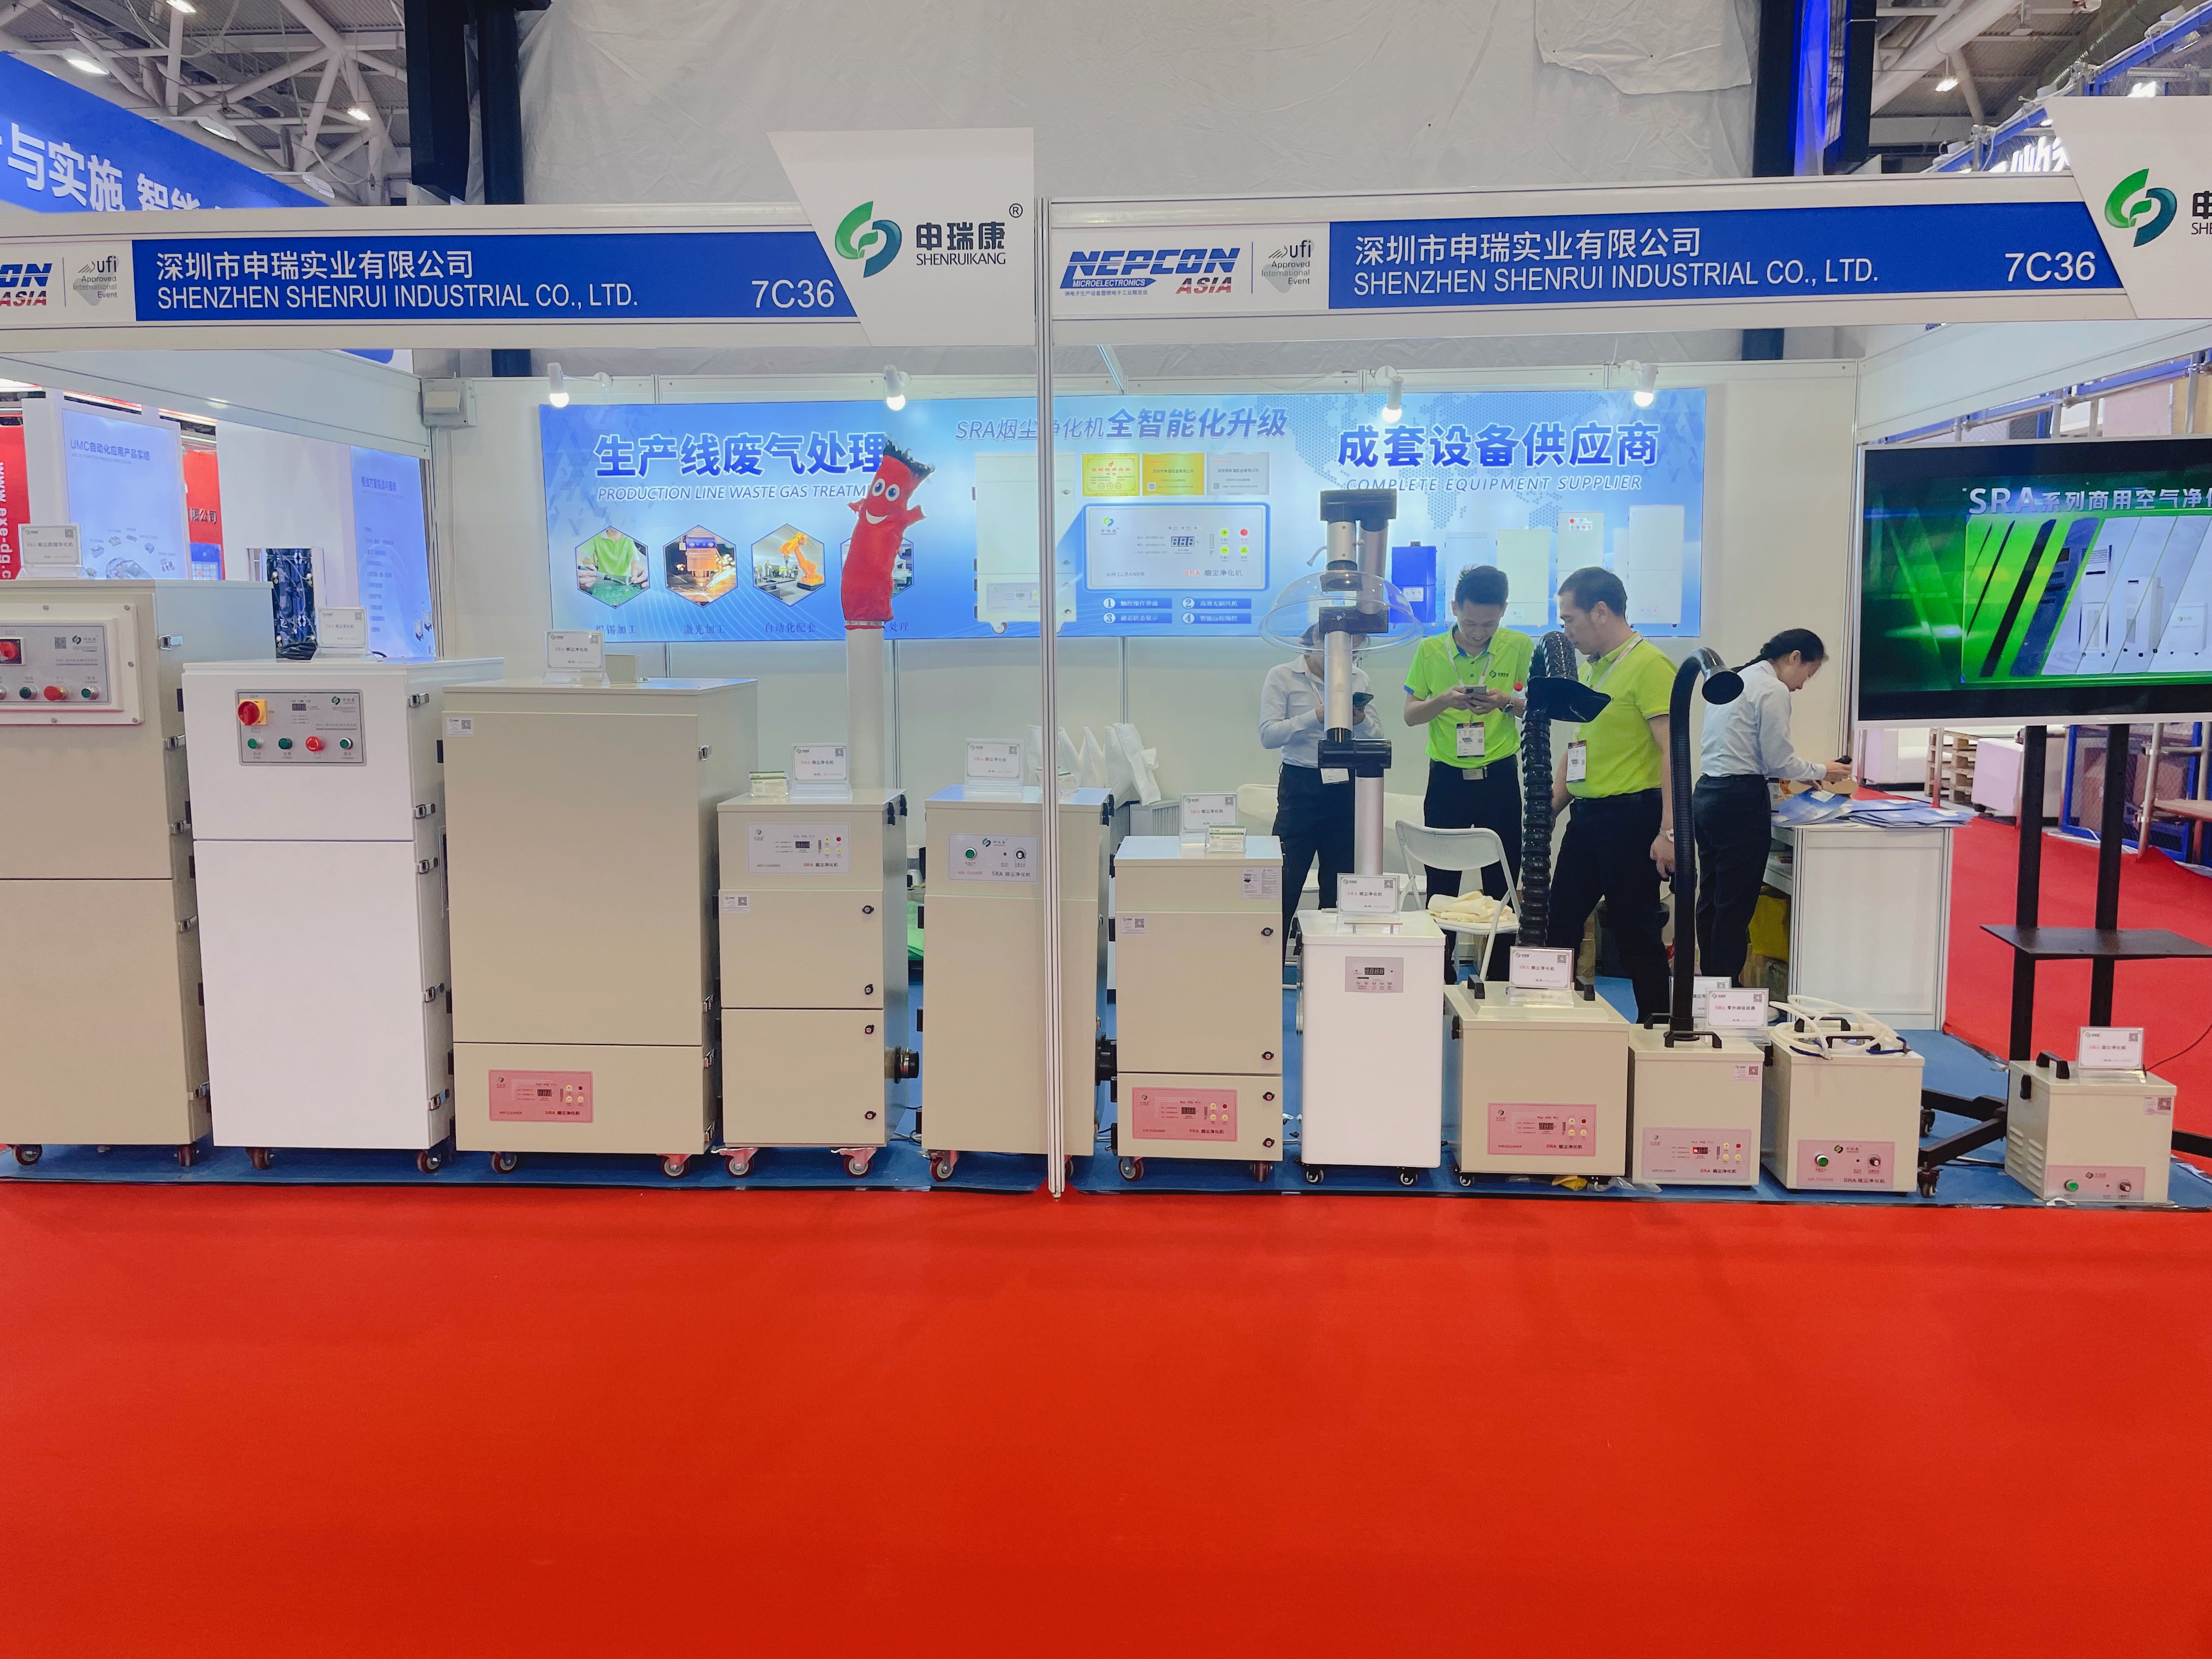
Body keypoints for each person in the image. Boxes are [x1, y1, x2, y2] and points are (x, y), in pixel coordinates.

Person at [1544, 566, 1677, 1020]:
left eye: (1570, 619)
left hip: (1632, 818)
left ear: (1600, 611)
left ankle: (1657, 1029)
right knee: (1559, 923)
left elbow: (1673, 752)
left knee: (1635, 933)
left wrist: (1669, 832)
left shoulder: (1651, 666)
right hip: (1587, 818)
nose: (1567, 631)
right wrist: (1549, 808)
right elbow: (1579, 747)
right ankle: (1547, 1020)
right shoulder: (1592, 671)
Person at [1694, 628, 1853, 984]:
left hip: (1707, 795)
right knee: (1735, 904)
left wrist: (1807, 773)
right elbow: (1779, 759)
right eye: (1807, 675)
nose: (1801, 686)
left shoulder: (1735, 678)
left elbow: (1749, 750)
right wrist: (1823, 770)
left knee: (1713, 896)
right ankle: (1726, 991)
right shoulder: (1772, 689)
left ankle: (1710, 983)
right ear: (1794, 657)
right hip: (1739, 802)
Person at [1403, 565, 1532, 978]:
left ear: (1504, 611)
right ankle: (1438, 975)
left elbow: (1537, 707)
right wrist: (1443, 701)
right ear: (1455, 607)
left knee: (1502, 881)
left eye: (1489, 624)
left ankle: (1497, 979)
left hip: (1499, 777)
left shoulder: (1519, 646)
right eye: (1471, 622)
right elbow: (1410, 715)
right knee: (1441, 883)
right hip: (1447, 779)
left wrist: (1505, 702)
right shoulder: (1430, 650)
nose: (1479, 633)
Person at [1261, 625, 1383, 949]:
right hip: (1301, 785)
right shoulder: (1283, 676)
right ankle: (1268, 964)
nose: (1348, 659)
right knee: (1286, 880)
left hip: (1346, 785)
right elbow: (1268, 736)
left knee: (1340, 884)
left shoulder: (1358, 678)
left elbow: (1377, 734)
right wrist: (1315, 716)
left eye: (1355, 652)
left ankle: (1329, 959)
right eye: (1343, 650)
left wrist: (1360, 720)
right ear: (1317, 640)